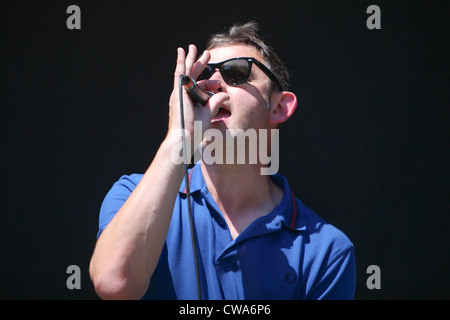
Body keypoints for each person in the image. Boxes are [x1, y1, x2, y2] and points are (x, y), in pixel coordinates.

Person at [89, 21, 356, 300]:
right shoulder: (133, 194)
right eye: (203, 75)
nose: (213, 84)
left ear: (278, 106)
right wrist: (178, 139)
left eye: (236, 72)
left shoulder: (326, 251)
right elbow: (114, 284)